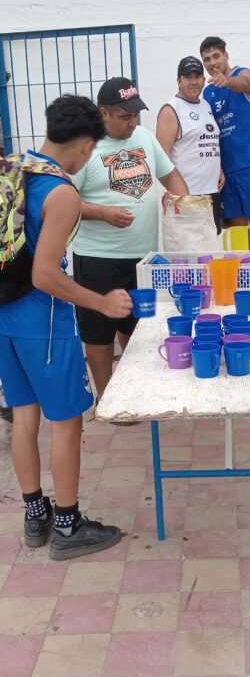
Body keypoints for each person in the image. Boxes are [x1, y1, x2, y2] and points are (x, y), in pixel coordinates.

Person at [0, 94, 131, 559]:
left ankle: (36, 516)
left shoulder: (17, 167)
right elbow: (45, 275)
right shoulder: (62, 192)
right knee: (66, 423)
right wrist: (102, 302)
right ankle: (69, 526)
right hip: (46, 325)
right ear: (86, 144)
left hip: (6, 316)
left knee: (24, 416)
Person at [72, 76, 188, 402]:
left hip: (143, 258)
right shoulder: (83, 148)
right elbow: (62, 201)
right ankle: (107, 397)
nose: (132, 122)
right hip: (98, 259)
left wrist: (186, 205)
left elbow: (170, 175)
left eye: (135, 114)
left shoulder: (144, 138)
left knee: (136, 326)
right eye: (125, 116)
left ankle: (133, 389)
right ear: (103, 113)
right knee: (99, 332)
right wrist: (102, 213)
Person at [200, 36, 250, 255]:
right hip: (227, 169)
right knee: (238, 226)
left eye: (216, 56)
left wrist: (227, 81)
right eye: (207, 59)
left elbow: (246, 84)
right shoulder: (208, 93)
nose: (213, 62)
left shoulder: (245, 74)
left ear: (226, 55)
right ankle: (246, 273)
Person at [156, 55, 223, 251]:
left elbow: (206, 141)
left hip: (210, 194)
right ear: (178, 80)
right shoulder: (171, 110)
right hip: (188, 198)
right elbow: (160, 159)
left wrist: (218, 168)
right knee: (189, 255)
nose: (193, 81)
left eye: (197, 76)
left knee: (210, 251)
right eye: (187, 77)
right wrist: (180, 195)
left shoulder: (205, 106)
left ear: (203, 79)